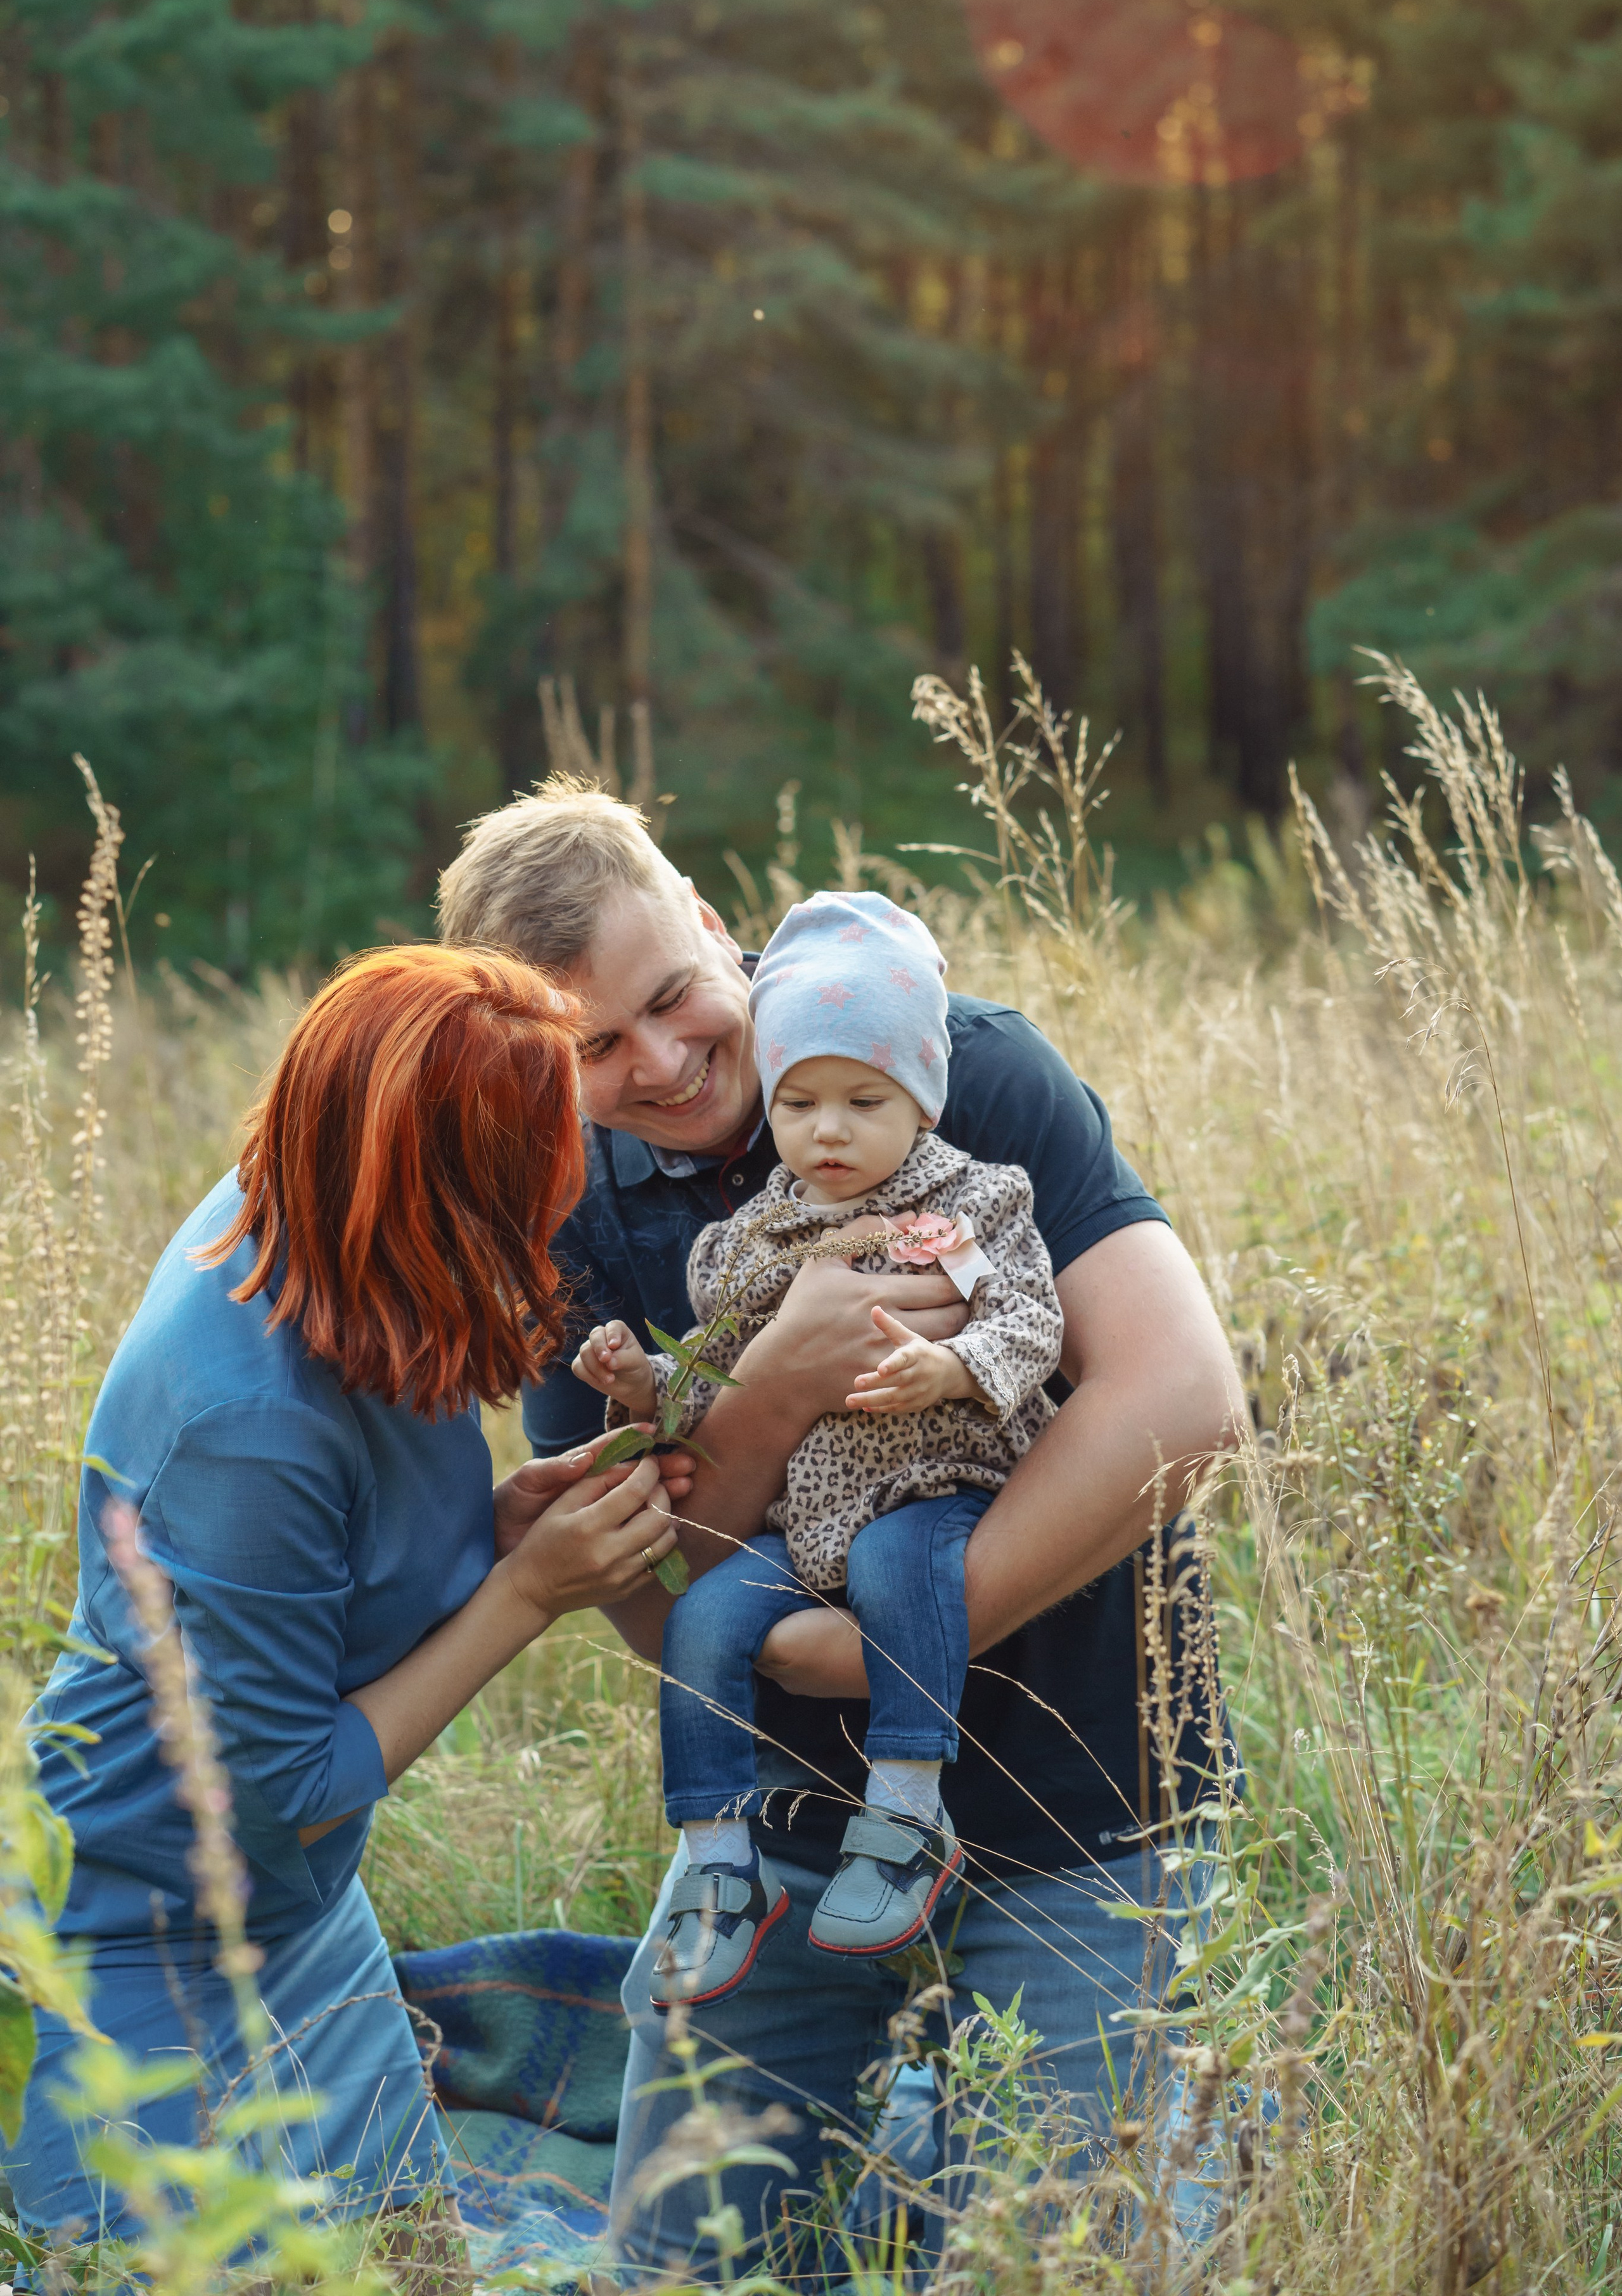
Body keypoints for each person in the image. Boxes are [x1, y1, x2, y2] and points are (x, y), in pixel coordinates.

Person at [436, 781, 1244, 2278]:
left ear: (707, 921)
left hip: (1085, 1785)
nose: (666, 1062)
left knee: (1056, 2261)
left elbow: (1183, 1398)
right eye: (597, 1048)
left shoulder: (954, 1065)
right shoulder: (559, 1215)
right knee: (685, 2268)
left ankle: (986, 2157)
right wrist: (782, 1376)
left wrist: (892, 1658)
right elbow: (639, 1589)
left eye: (676, 998)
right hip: (782, 1829)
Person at [6, 946, 686, 2251]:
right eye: (534, 1198)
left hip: (300, 1908)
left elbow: (330, 1584)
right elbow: (287, 1796)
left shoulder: (347, 1224)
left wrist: (497, 1532)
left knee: (413, 2262)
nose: (560, 1224)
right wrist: (527, 1596)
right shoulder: (244, 1423)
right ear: (446, 1198)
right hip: (146, 1926)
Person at [572, 890, 1064, 1999]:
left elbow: (1030, 1319)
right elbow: (710, 1372)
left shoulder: (966, 1207)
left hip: (940, 1484)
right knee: (701, 1618)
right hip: (807, 1522)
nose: (828, 1132)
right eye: (798, 1103)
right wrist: (641, 1382)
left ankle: (904, 1812)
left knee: (900, 1567)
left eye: (863, 1101)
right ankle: (715, 1860)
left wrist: (954, 1366)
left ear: (922, 1101)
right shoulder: (758, 1234)